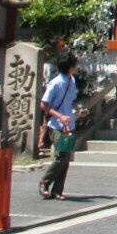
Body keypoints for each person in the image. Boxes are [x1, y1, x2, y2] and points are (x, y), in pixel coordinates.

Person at [39, 52, 79, 200]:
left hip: (69, 123)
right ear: (69, 67)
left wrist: (78, 111)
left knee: (66, 158)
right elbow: (44, 104)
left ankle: (57, 190)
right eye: (74, 64)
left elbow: (70, 101)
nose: (76, 66)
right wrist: (60, 116)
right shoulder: (56, 83)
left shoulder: (72, 81)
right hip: (56, 125)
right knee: (60, 156)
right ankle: (45, 181)